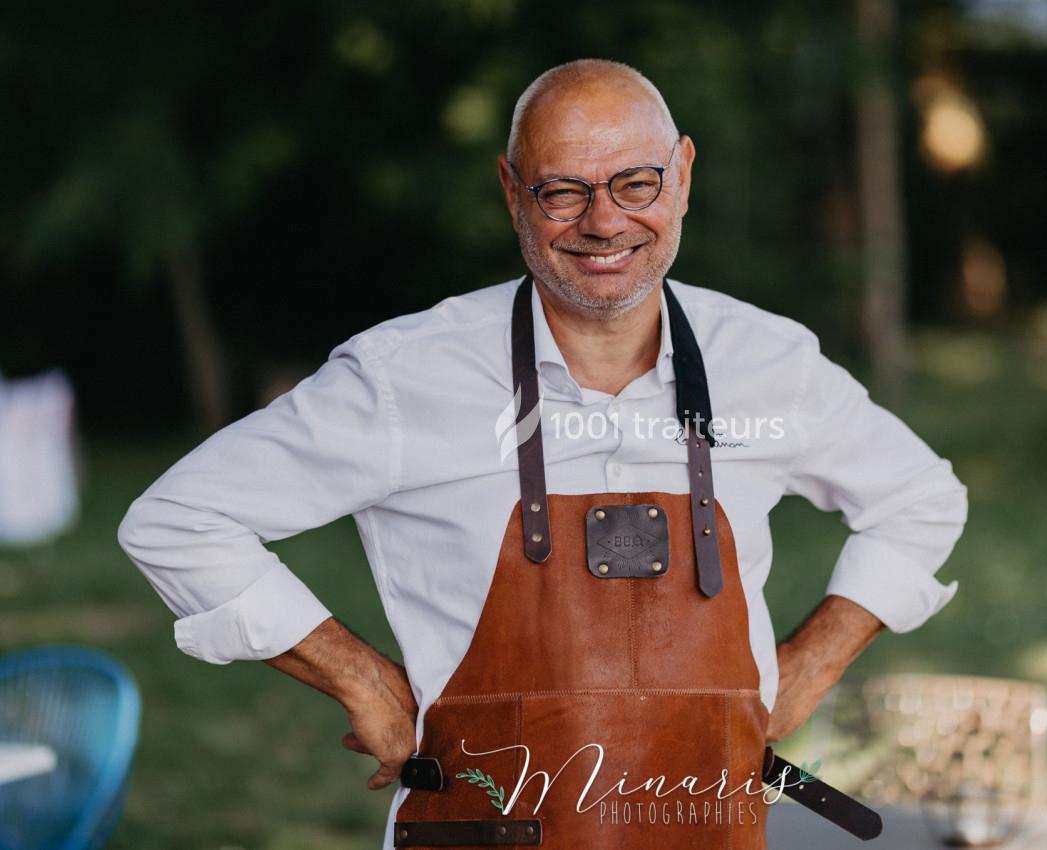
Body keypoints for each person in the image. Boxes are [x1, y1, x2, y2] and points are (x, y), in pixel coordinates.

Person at [118, 58, 967, 849]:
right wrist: (356, 677)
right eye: (563, 191)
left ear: (683, 174)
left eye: (637, 182)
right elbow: (180, 519)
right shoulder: (403, 377)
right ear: (511, 191)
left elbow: (920, 501)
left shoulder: (769, 363)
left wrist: (809, 665)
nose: (605, 222)